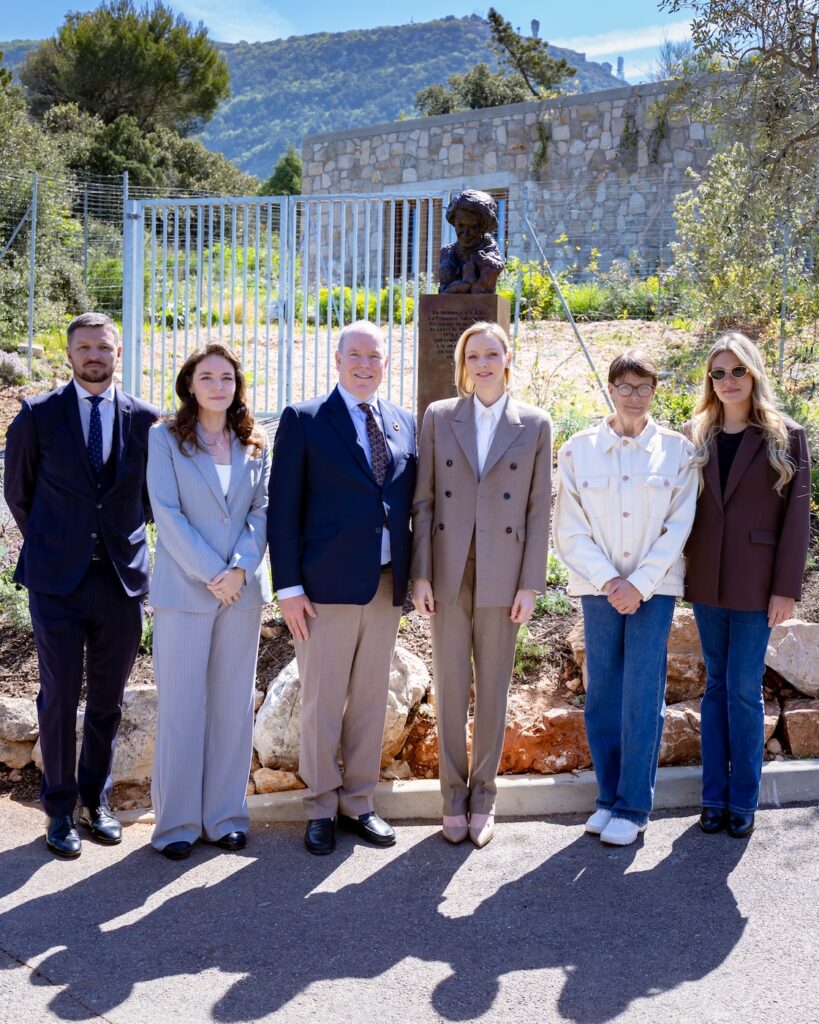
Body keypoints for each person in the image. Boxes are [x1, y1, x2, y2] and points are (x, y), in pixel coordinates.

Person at [4, 312, 158, 858]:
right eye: (85, 347)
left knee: (108, 700)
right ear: (69, 355)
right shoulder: (38, 416)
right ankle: (59, 809)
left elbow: (151, 498)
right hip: (57, 582)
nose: (95, 356)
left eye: (104, 347)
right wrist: (57, 541)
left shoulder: (145, 420)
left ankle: (97, 800)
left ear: (119, 353)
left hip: (120, 578)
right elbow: (18, 493)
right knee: (60, 694)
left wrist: (119, 536)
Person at [267, 320, 416, 856]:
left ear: (384, 363)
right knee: (323, 702)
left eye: (374, 356)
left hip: (383, 585)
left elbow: (406, 504)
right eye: (355, 355)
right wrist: (287, 586)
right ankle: (320, 807)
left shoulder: (402, 422)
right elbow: (282, 510)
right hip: (323, 587)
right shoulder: (305, 420)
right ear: (337, 359)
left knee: (371, 700)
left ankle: (359, 802)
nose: (364, 365)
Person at [411, 321, 552, 848]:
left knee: (494, 686)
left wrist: (530, 584)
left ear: (508, 358)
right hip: (449, 567)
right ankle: (452, 796)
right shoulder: (440, 416)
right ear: (463, 365)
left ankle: (484, 795)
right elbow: (422, 503)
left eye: (492, 354)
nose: (483, 364)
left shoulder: (535, 423)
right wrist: (420, 572)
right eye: (474, 356)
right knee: (449, 686)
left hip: (504, 570)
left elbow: (540, 510)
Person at [553, 351, 697, 846]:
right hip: (600, 590)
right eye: (625, 386)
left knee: (642, 696)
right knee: (603, 697)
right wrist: (611, 581)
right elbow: (569, 530)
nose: (634, 396)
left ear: (655, 391)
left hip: (654, 592)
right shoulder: (577, 450)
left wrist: (639, 583)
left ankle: (634, 807)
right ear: (610, 390)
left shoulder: (678, 452)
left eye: (644, 387)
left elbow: (680, 525)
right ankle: (608, 799)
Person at [147, 343, 271, 860]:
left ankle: (224, 817)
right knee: (181, 708)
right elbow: (167, 515)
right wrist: (215, 574)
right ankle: (175, 824)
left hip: (240, 595)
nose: (218, 385)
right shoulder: (164, 438)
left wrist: (240, 568)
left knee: (232, 709)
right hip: (186, 593)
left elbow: (261, 511)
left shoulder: (256, 441)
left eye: (227, 377)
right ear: (190, 384)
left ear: (237, 385)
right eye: (207, 376)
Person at [684, 332, 811, 839]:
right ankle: (712, 796)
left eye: (737, 370)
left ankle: (744, 799)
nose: (728, 381)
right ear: (709, 381)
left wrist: (786, 589)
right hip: (707, 580)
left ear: (754, 374)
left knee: (742, 689)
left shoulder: (786, 435)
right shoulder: (695, 433)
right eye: (718, 373)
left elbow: (797, 518)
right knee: (715, 687)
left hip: (758, 585)